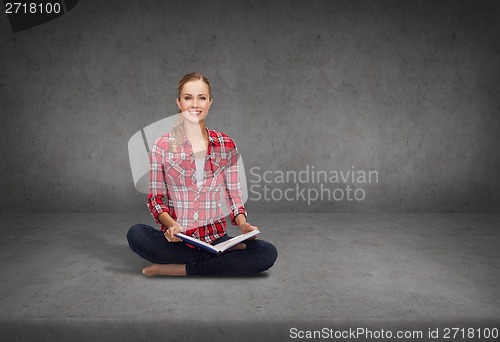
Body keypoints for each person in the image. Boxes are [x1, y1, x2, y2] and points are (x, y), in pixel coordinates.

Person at [127, 72, 278, 276]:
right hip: (179, 240)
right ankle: (221, 260)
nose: (195, 104)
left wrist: (243, 225)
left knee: (267, 252)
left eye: (202, 98)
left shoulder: (226, 144)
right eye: (188, 98)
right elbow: (155, 199)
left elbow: (233, 195)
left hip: (215, 239)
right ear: (179, 102)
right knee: (136, 234)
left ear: (210, 103)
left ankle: (181, 269)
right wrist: (172, 226)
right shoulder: (161, 146)